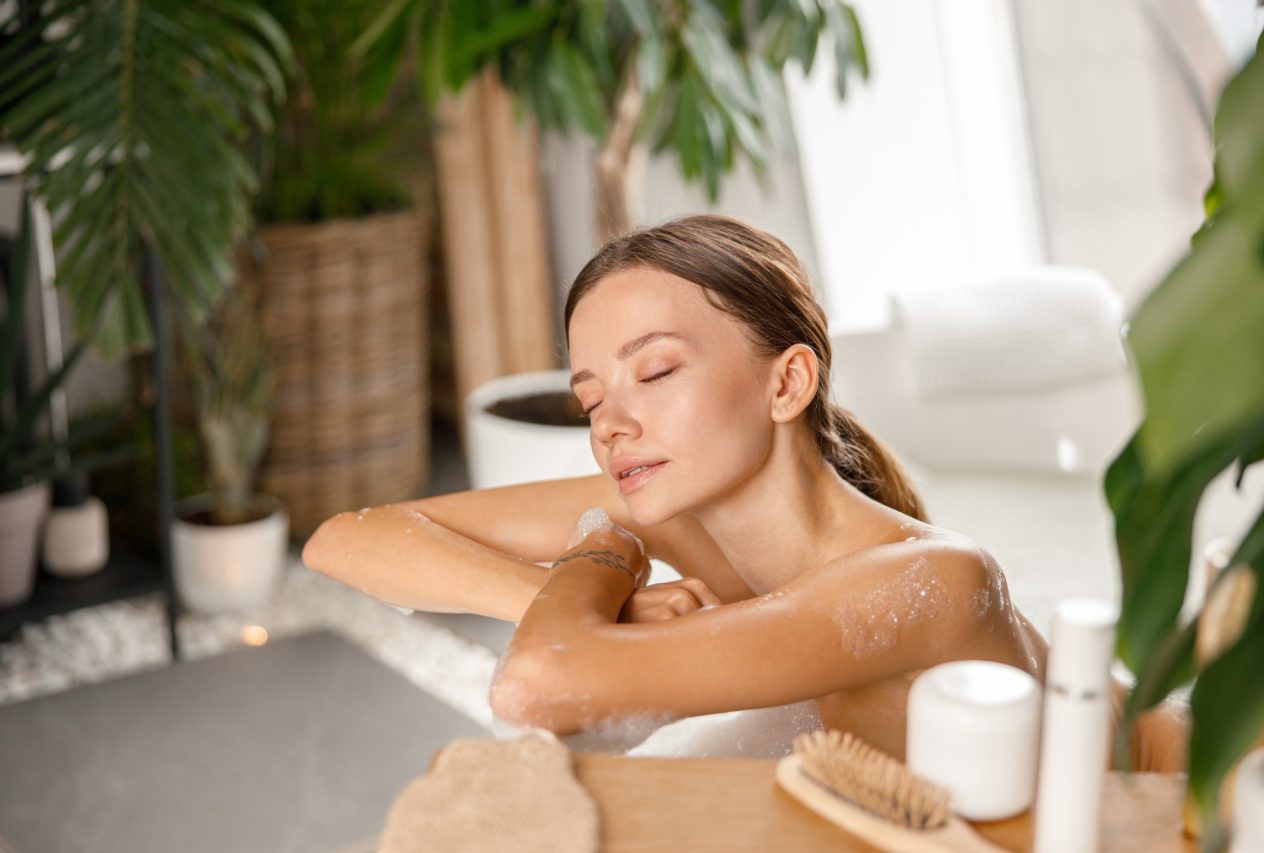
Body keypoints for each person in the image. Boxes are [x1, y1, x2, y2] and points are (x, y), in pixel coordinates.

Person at [302, 214, 1186, 770]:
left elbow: (538, 681)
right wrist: (570, 592)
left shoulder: (932, 579)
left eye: (655, 371)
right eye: (591, 398)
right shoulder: (686, 510)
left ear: (787, 382)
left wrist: (601, 551)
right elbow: (345, 538)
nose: (611, 425)